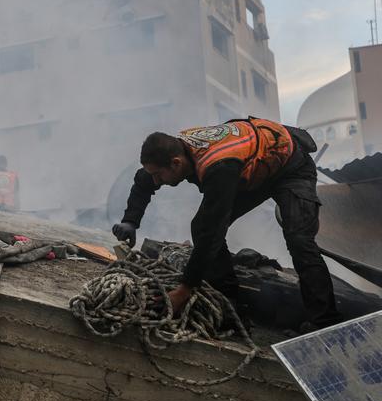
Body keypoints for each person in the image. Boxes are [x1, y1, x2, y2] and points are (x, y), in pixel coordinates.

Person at [112, 117, 341, 331]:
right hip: (253, 168)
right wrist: (131, 221)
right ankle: (231, 308)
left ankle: (326, 321)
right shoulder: (175, 152)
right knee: (201, 227)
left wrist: (184, 290)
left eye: (159, 176)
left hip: (292, 167)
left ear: (175, 163)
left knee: (299, 240)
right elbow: (144, 181)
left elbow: (213, 232)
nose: (156, 182)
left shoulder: (219, 167)